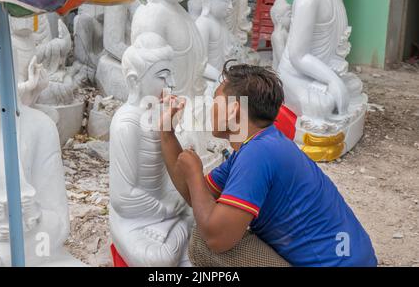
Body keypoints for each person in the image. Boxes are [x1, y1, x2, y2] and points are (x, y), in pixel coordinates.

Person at [160, 62, 377, 267]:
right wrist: (167, 133)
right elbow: (197, 196)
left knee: (204, 243)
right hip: (355, 258)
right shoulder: (259, 145)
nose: (210, 109)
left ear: (233, 110)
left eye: (215, 101)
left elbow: (217, 239)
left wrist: (195, 174)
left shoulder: (258, 153)